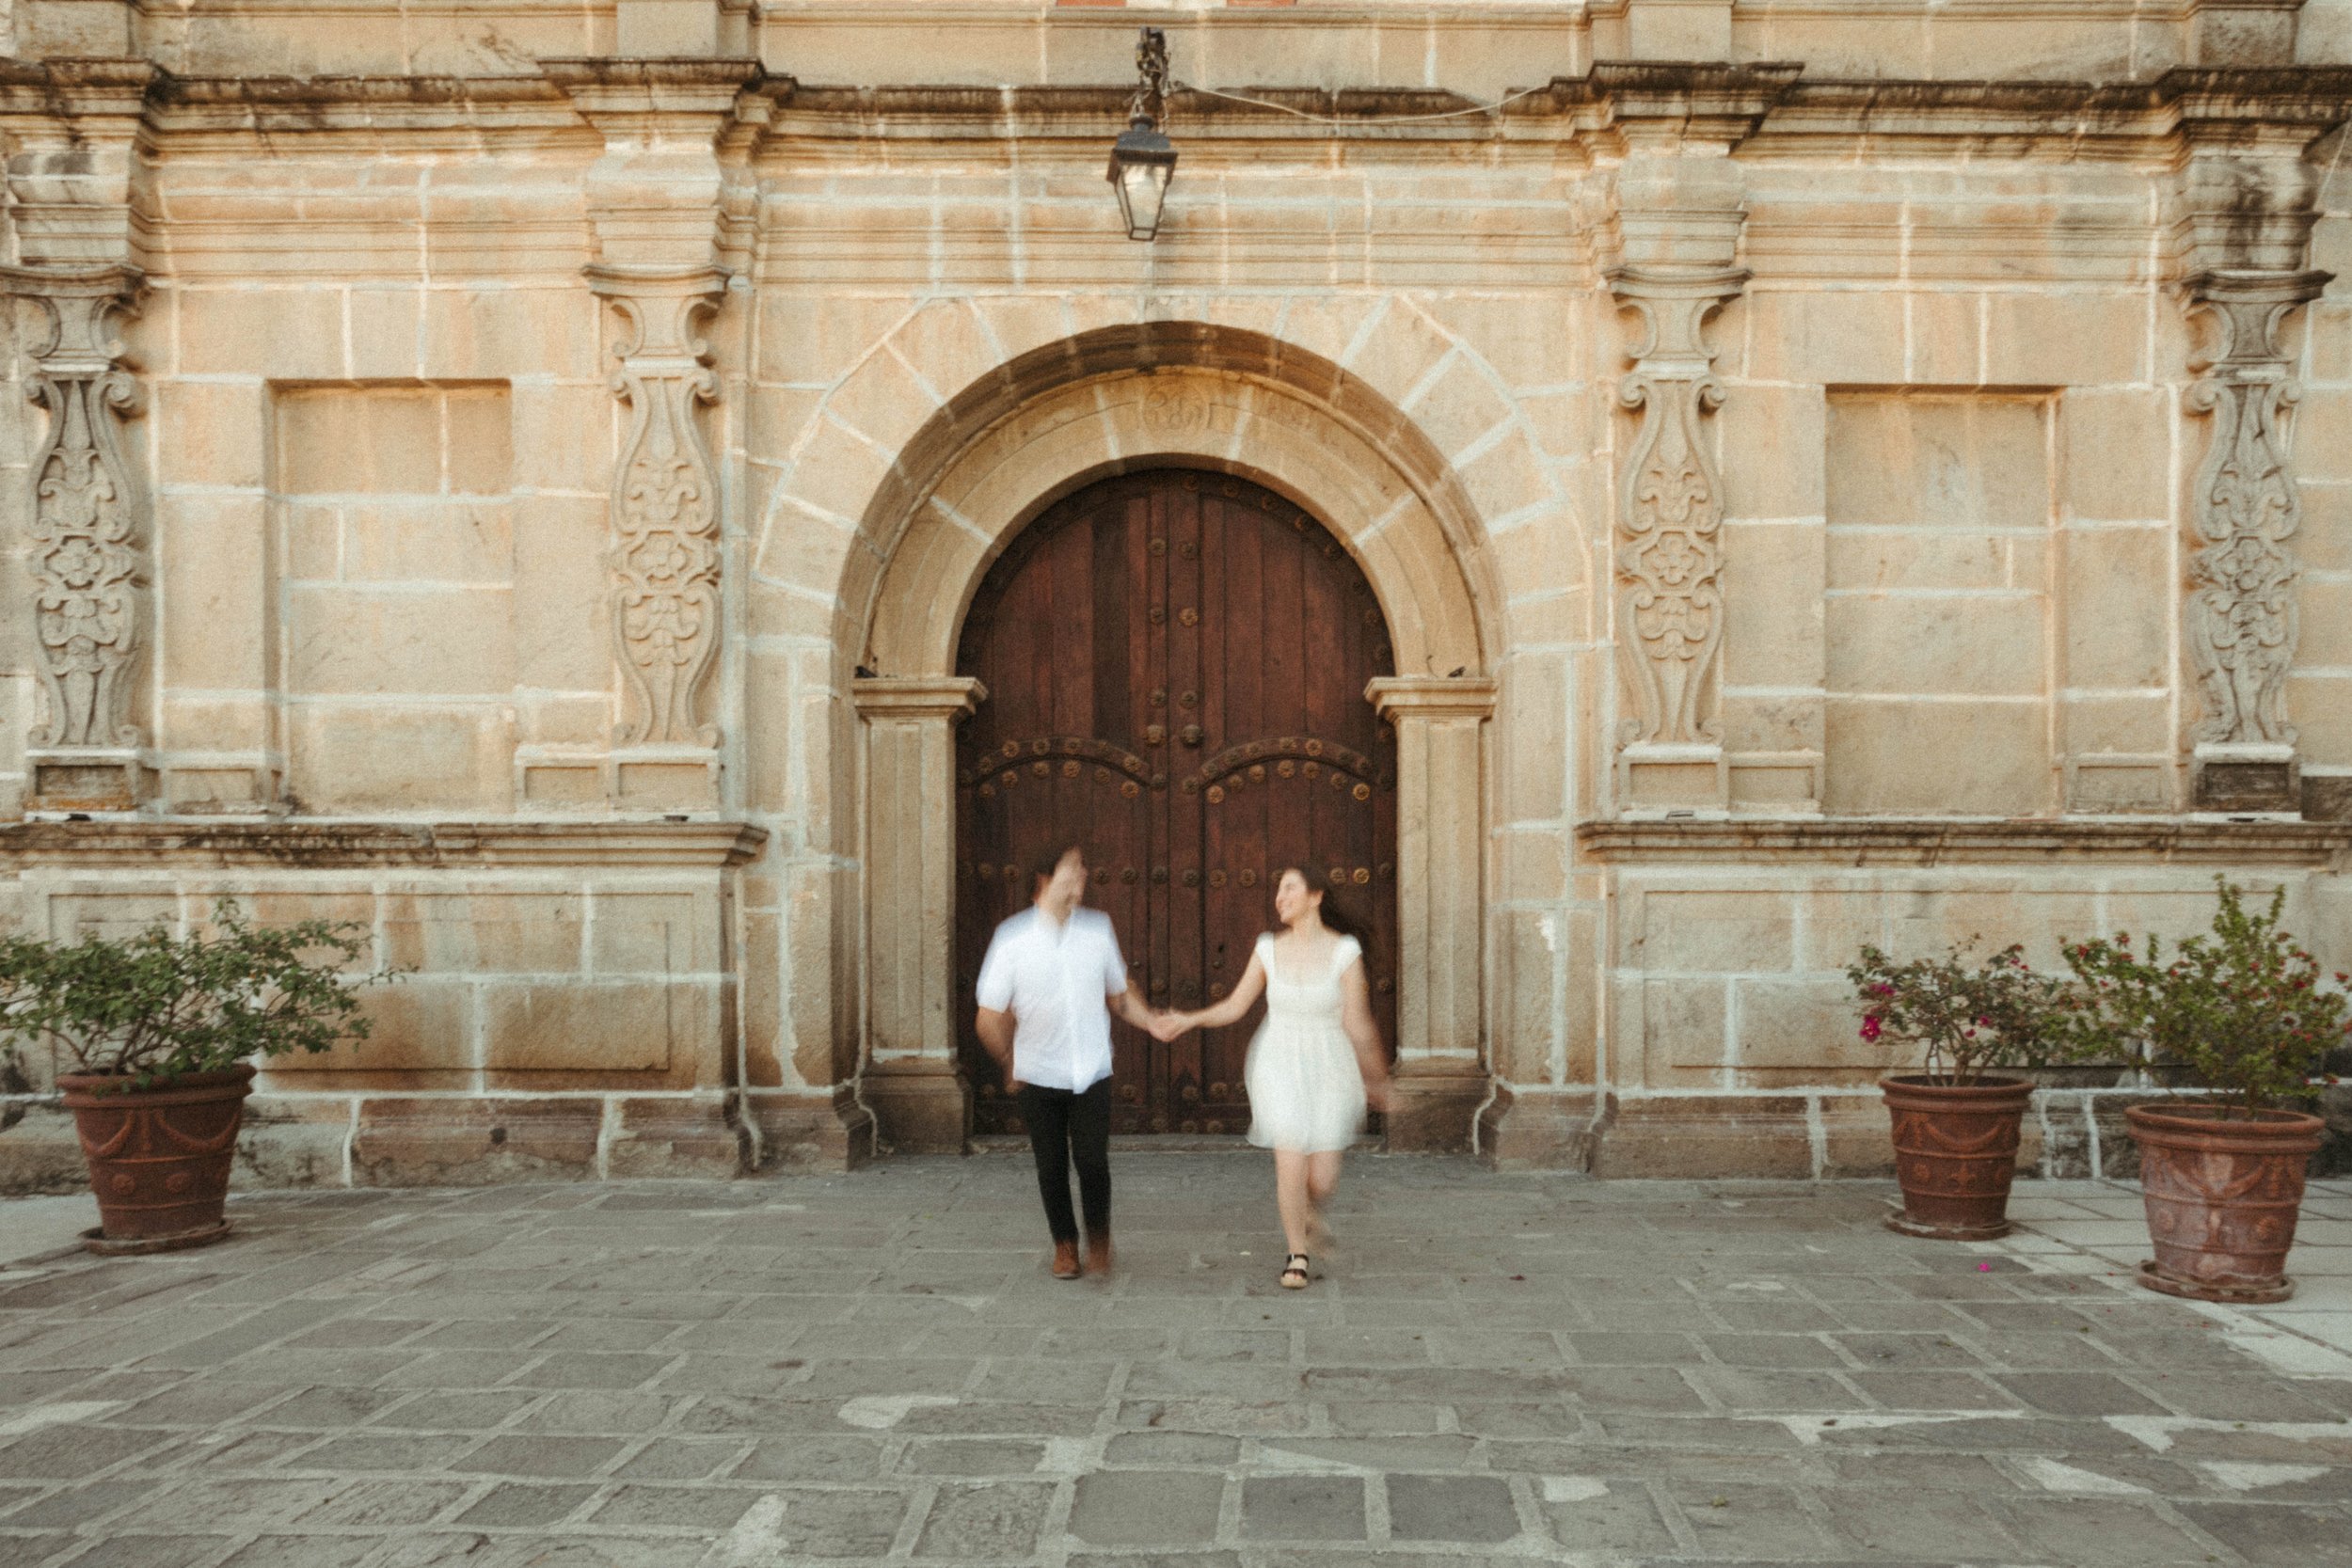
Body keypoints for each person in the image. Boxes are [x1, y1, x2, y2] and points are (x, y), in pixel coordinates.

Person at [1151, 866, 1391, 1289]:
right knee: (1290, 1157)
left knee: (1323, 1176)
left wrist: (1376, 1080)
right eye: (1277, 889)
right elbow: (1235, 1006)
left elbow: (1358, 1021)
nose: (1279, 896)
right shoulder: (1267, 948)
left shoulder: (1344, 951)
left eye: (1290, 887)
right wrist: (1188, 1020)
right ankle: (1296, 1252)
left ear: (1315, 896)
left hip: (1331, 1064)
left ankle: (1310, 1211)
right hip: (1278, 1060)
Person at [975, 844, 1162, 1280]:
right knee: (1051, 1164)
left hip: (1091, 1069)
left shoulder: (1098, 930)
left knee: (1094, 1161)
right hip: (1038, 1071)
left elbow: (1119, 995)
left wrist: (1151, 1021)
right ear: (1045, 877)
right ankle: (1064, 1244)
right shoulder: (1012, 938)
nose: (1082, 876)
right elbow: (988, 1015)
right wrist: (1007, 1059)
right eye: (1073, 868)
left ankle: (1099, 1239)